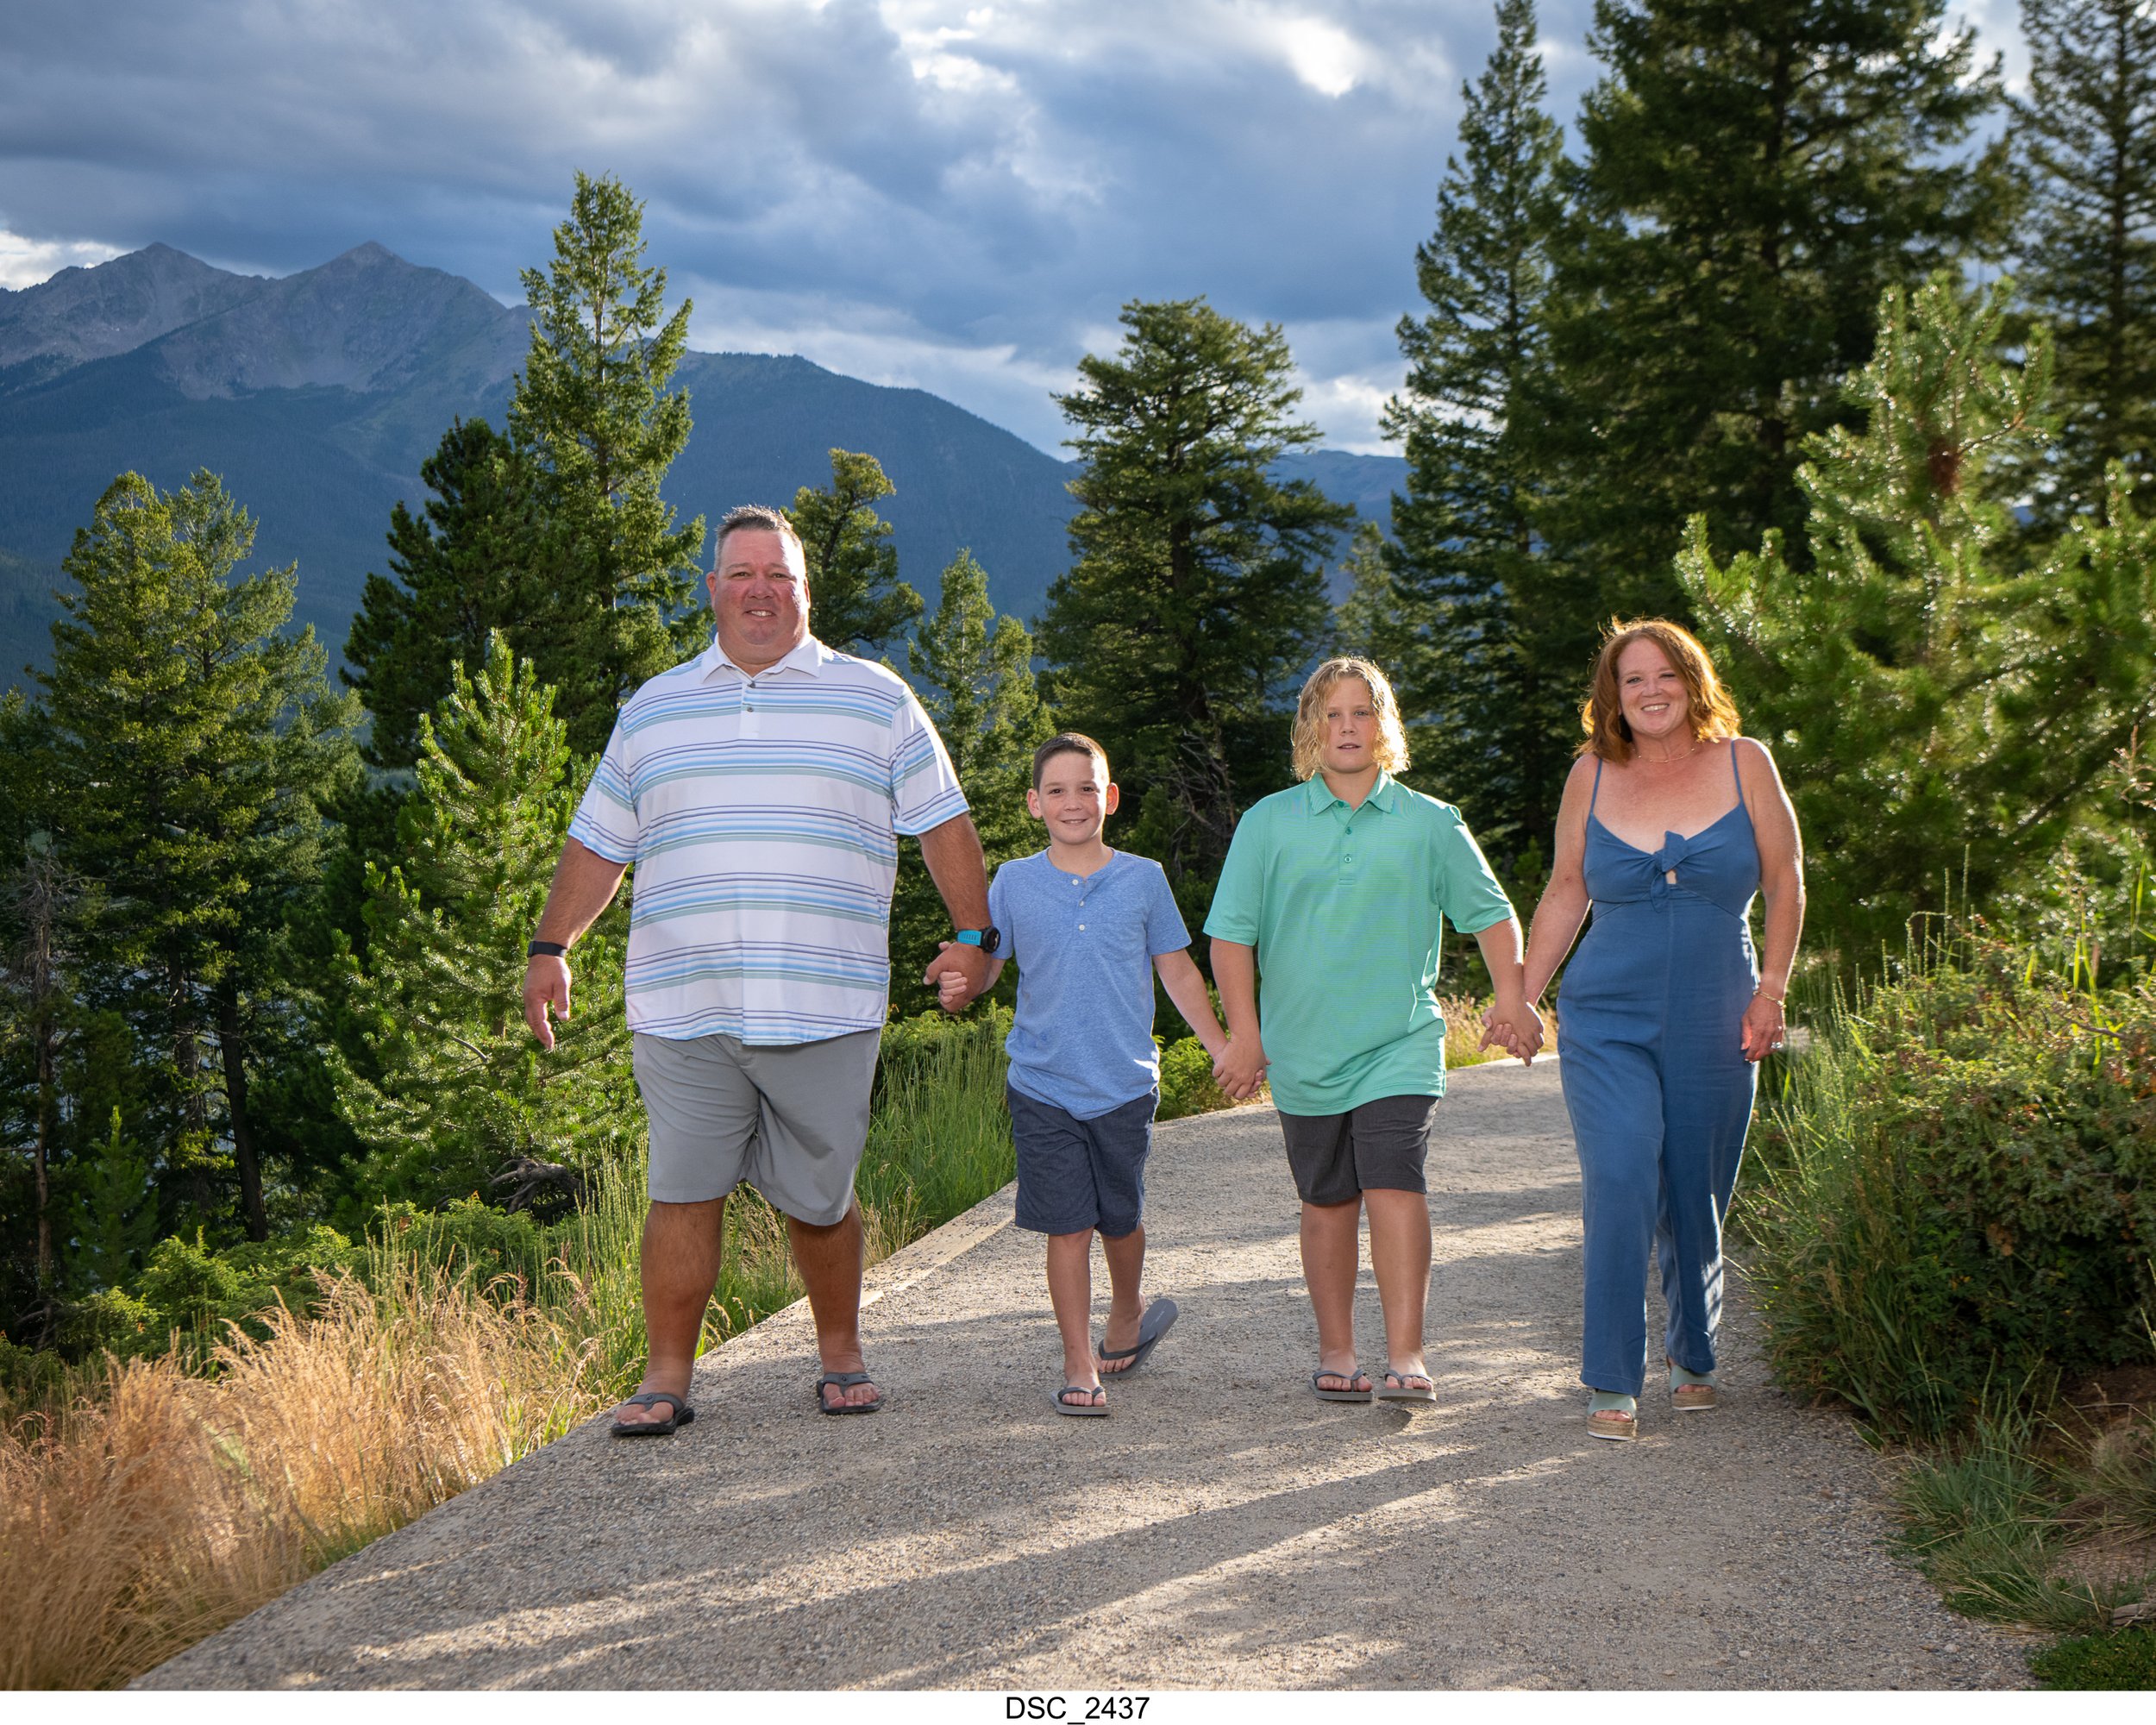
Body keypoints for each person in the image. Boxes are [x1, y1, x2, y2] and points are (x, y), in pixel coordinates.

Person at [522, 504, 996, 1432]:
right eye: (742, 573)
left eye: (778, 574)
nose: (759, 590)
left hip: (826, 998)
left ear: (805, 591)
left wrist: (975, 941)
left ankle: (840, 1352)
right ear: (711, 589)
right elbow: (598, 843)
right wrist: (551, 947)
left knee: (820, 1199)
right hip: (682, 998)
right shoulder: (652, 707)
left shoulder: (875, 696)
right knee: (680, 1189)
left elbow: (944, 823)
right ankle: (666, 1376)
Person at [1206, 657, 1541, 1405]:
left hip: (1400, 1041)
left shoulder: (1430, 822)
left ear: (1385, 727)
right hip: (1302, 1049)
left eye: (1362, 713)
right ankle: (1337, 1351)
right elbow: (1231, 938)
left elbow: (1490, 916)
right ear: (1309, 730)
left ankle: (1407, 1356)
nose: (1347, 727)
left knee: (1395, 1182)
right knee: (1327, 1201)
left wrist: (1511, 999)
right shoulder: (1268, 823)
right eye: (1331, 714)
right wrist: (1245, 1035)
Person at [1516, 619, 1805, 1442]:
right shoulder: (1591, 775)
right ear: (1613, 696)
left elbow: (1786, 881)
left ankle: (1695, 1352)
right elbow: (1567, 889)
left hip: (1721, 1008)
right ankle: (1612, 1377)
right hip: (1606, 1011)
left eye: (1663, 675)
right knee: (1619, 1176)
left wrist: (1772, 990)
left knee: (1695, 1188)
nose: (1649, 691)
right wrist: (1525, 995)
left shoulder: (1746, 762)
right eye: (1631, 680)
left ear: (1692, 679)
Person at [936, 732, 1230, 1416]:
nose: (1075, 802)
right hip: (1042, 1082)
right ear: (1035, 804)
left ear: (1111, 798)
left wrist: (1221, 1044)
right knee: (1066, 1224)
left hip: (1124, 1083)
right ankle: (1078, 1365)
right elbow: (987, 965)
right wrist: (962, 986)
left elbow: (1177, 970)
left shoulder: (1144, 878)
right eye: (1059, 791)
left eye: (1088, 788)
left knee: (1118, 1220)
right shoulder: (1011, 882)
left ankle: (1126, 1311)